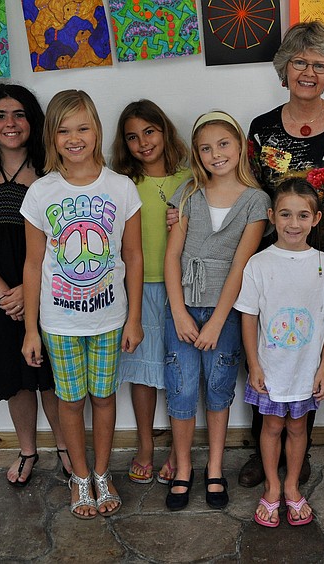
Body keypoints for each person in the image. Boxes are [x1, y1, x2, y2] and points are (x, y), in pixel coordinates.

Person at [240, 20, 324, 489]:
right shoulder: (262, 129)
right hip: (270, 256)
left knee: (307, 351)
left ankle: (301, 448)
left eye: (319, 64)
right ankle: (262, 451)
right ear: (284, 69)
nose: (309, 72)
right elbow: (246, 193)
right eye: (299, 62)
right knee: (267, 349)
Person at [20, 90, 144, 519]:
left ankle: (102, 473)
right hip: (59, 322)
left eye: (83, 128)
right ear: (51, 137)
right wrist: (31, 329)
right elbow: (33, 264)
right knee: (70, 402)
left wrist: (134, 318)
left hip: (110, 318)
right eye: (63, 130)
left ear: (97, 131)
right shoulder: (41, 192)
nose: (74, 138)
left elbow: (133, 256)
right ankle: (79, 476)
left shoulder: (120, 187)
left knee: (104, 397)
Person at [0, 83, 72, 487]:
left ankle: (67, 448)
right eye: (0, 115)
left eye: (19, 114)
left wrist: (30, 289)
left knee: (53, 375)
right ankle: (27, 450)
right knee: (14, 377)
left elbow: (67, 238)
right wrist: (6, 294)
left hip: (50, 288)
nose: (11, 123)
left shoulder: (54, 171)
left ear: (33, 120)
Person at [163, 110, 270, 511]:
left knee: (219, 387)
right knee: (181, 387)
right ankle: (183, 467)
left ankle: (214, 467)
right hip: (183, 308)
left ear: (240, 146)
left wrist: (218, 321)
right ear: (197, 154)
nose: (215, 154)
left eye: (223, 144)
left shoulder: (256, 201)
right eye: (205, 148)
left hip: (226, 312)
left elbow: (242, 264)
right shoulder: (188, 194)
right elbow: (172, 256)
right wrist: (178, 312)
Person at [235, 178, 324, 527]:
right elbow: (248, 317)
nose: (294, 223)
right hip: (271, 368)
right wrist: (254, 364)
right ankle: (272, 487)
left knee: (299, 428)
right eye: (285, 214)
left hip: (305, 370)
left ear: (316, 219)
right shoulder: (258, 264)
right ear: (272, 216)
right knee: (271, 426)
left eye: (302, 215)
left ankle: (291, 486)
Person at [111, 100, 191, 486]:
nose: (143, 143)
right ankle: (145, 445)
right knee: (141, 372)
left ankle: (178, 450)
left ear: (165, 131)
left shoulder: (191, 178)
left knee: (180, 371)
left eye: (149, 132)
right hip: (137, 288)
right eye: (132, 137)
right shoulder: (121, 184)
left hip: (183, 288)